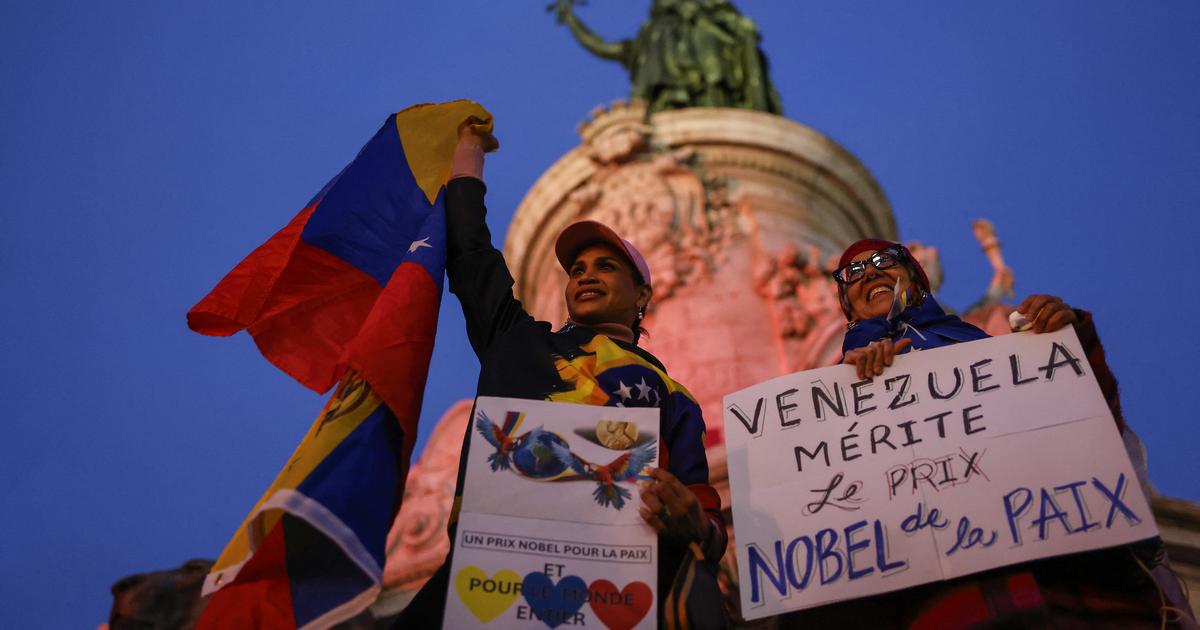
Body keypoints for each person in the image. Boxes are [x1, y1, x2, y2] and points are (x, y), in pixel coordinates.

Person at [393, 122, 727, 627]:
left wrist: (690, 519)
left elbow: (711, 527)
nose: (586, 274)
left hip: (615, 589)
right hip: (489, 574)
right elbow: (471, 255)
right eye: (576, 270)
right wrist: (467, 153)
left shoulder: (673, 396)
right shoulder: (516, 339)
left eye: (606, 266)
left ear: (642, 296)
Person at [787, 238, 1188, 628]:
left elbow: (1095, 425)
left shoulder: (990, 350)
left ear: (916, 276)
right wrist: (856, 389)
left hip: (1052, 584)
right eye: (853, 272)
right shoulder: (839, 390)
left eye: (884, 261)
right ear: (846, 304)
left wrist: (1066, 343)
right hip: (936, 602)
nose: (869, 273)